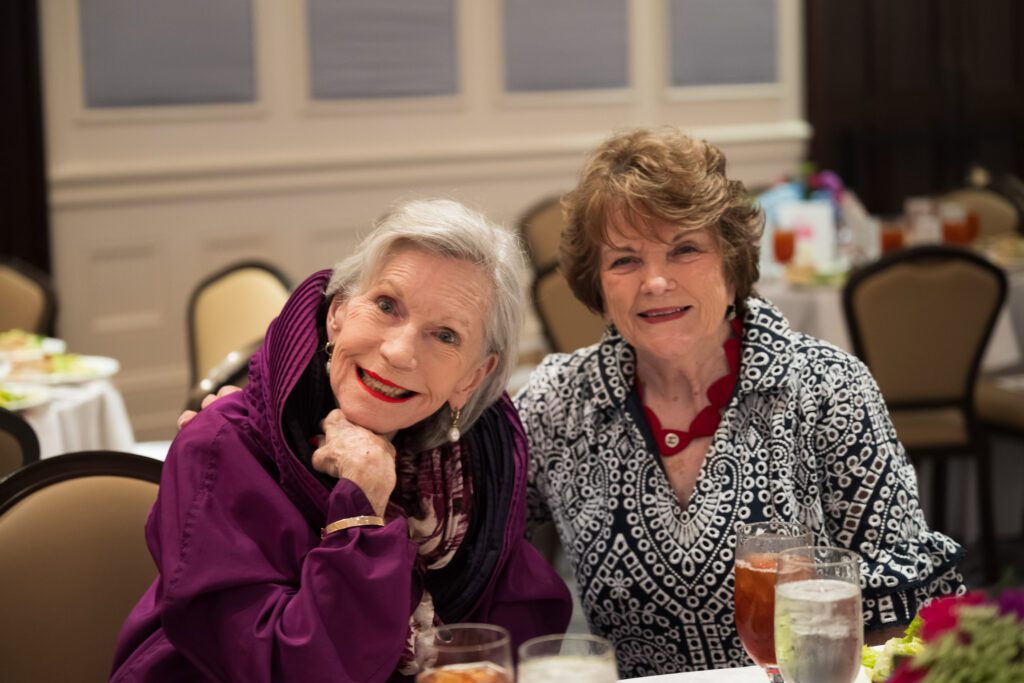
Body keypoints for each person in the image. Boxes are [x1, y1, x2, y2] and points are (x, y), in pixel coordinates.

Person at [512, 128, 965, 677]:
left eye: (684, 249)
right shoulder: (561, 403)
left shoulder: (825, 388)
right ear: (598, 286)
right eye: (625, 261)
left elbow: (905, 608)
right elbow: (474, 544)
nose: (655, 281)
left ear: (731, 267)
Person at [111, 199, 571, 682]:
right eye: (386, 306)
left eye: (446, 336)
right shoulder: (224, 447)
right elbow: (293, 670)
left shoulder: (477, 468)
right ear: (338, 313)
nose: (397, 352)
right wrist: (362, 509)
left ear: (473, 377)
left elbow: (511, 641)